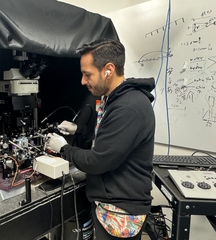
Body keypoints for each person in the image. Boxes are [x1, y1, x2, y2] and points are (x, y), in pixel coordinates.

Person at [47, 38, 155, 240]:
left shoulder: (128, 107)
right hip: (112, 202)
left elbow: (98, 161)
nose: (82, 81)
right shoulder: (115, 100)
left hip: (120, 212)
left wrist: (63, 149)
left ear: (108, 69)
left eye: (87, 74)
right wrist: (78, 129)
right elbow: (108, 138)